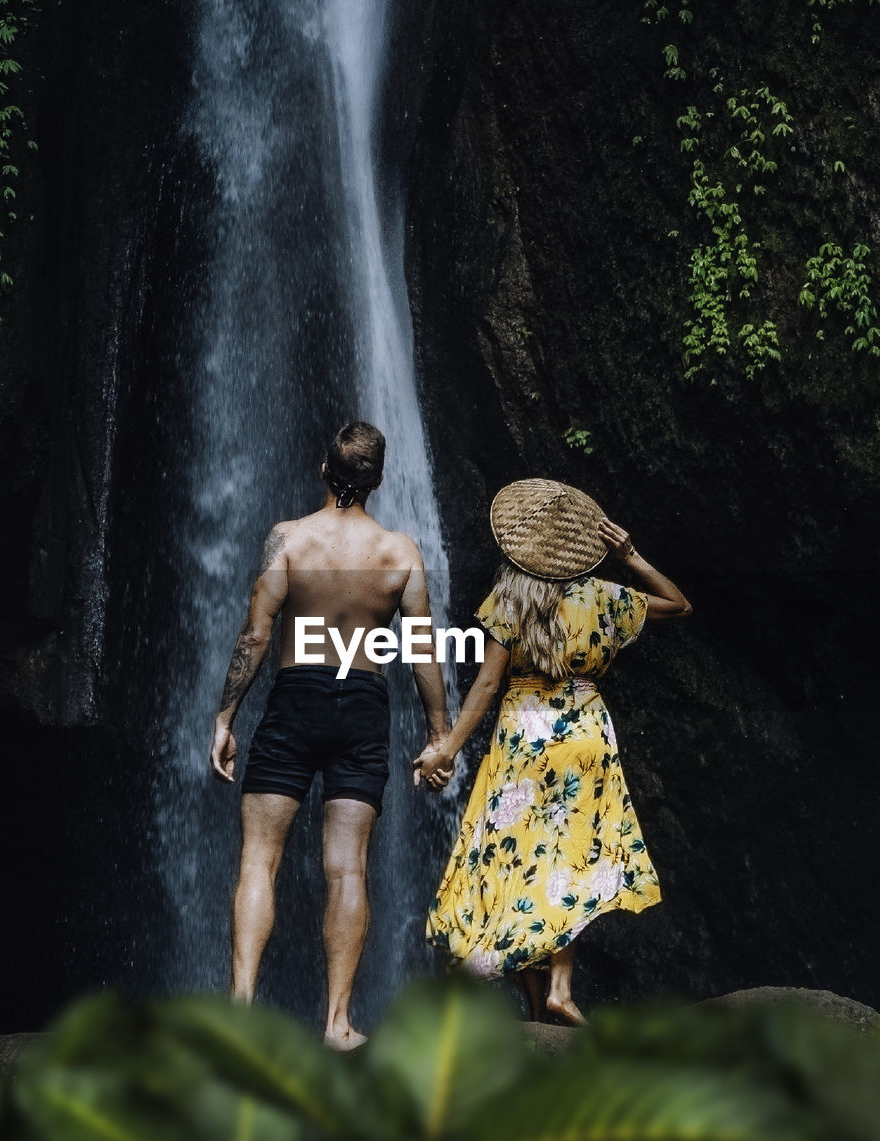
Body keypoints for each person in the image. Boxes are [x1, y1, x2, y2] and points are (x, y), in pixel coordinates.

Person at [210, 421, 450, 1049]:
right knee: (348, 870)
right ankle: (337, 1024)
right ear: (377, 480)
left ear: (324, 470)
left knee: (260, 859)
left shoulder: (289, 539)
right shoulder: (400, 554)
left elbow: (256, 635)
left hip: (296, 698)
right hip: (362, 703)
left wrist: (225, 717)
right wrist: (439, 736)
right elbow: (423, 651)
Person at [416, 478, 691, 1024]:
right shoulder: (605, 598)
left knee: (515, 857)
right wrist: (631, 555)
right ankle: (554, 995)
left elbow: (488, 687)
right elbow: (678, 605)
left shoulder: (510, 599)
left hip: (524, 739)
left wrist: (446, 747)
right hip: (586, 737)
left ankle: (536, 995)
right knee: (568, 861)